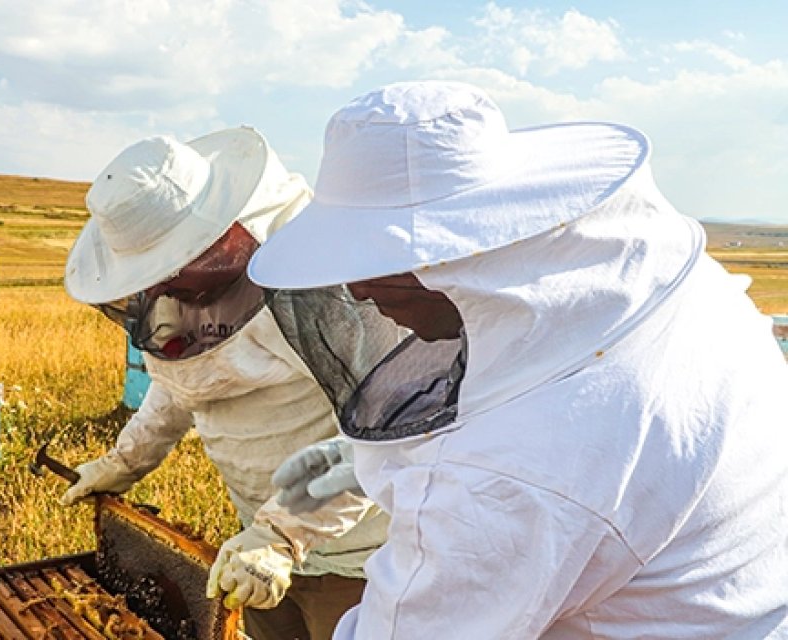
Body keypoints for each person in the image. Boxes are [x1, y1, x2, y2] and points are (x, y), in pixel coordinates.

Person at [248, 80, 788, 638]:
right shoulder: (669, 291)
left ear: (463, 255)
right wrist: (382, 460)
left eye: (381, 260)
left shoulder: (502, 480)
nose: (358, 290)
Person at [60, 127, 403, 640]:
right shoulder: (178, 297)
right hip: (253, 550)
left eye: (174, 269)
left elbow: (384, 427)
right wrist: (125, 461)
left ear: (222, 237)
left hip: (357, 556)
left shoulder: (324, 285)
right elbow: (181, 383)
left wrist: (282, 533)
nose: (167, 291)